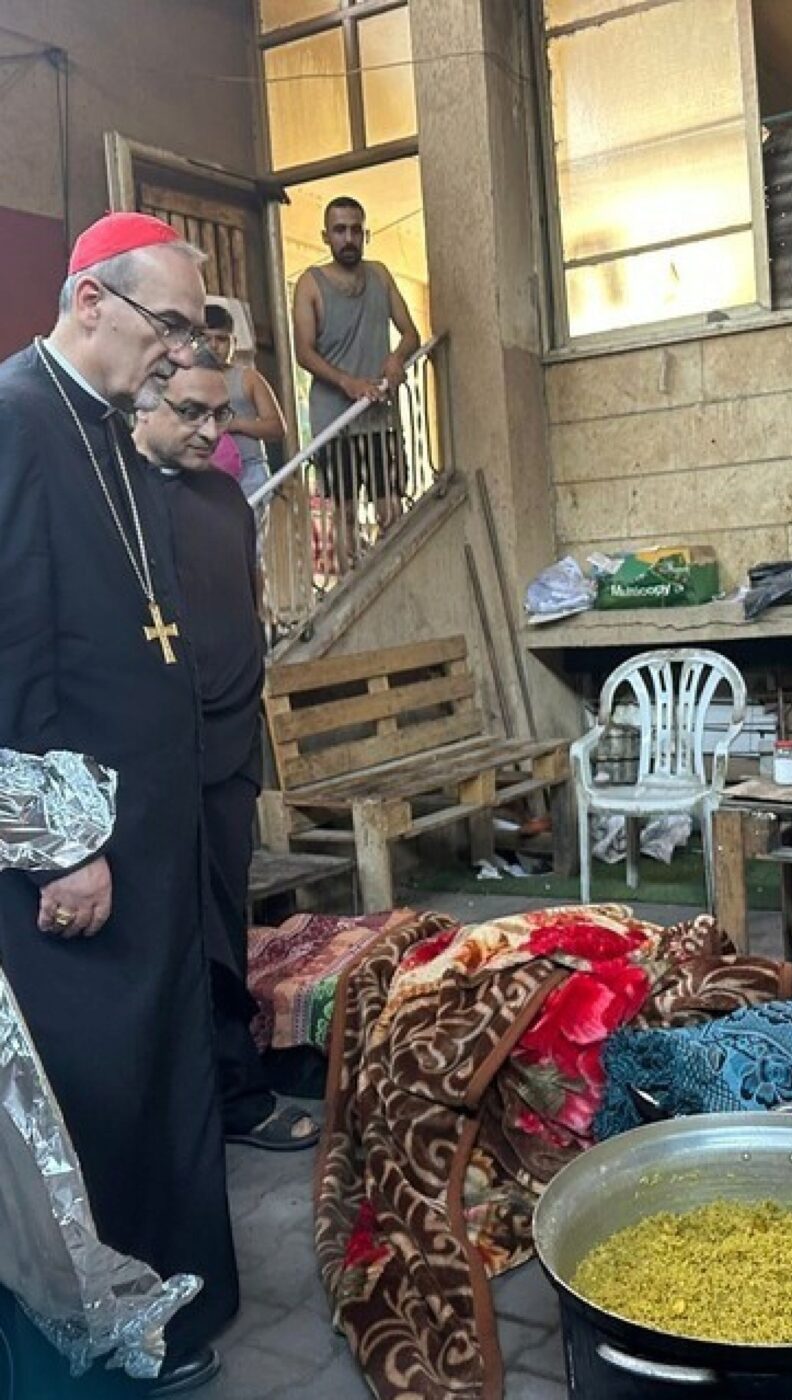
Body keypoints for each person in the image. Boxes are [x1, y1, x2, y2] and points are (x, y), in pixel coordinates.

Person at [0, 212, 237, 1394]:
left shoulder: (108, 427)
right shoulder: (14, 417)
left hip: (151, 832)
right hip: (81, 856)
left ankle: (179, 1307)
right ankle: (108, 1337)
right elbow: (11, 651)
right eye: (168, 323)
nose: (177, 350)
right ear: (91, 300)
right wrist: (59, 846)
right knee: (100, 1091)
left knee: (166, 1068)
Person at [133, 352, 319, 1155]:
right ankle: (211, 1100)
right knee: (177, 937)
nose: (214, 431)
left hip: (232, 753)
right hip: (161, 758)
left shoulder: (224, 499)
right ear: (142, 405)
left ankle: (234, 1092)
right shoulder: (119, 500)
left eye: (221, 413)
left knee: (222, 928)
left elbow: (246, 602)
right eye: (192, 413)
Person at [292, 196, 421, 574]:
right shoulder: (311, 284)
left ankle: (393, 580)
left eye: (355, 230)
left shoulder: (379, 275)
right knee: (344, 511)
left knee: (390, 507)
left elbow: (410, 333)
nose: (348, 238)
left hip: (379, 416)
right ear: (326, 236)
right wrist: (345, 382)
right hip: (335, 421)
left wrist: (396, 358)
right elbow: (304, 352)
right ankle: (351, 581)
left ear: (365, 234)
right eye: (339, 230)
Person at [202, 301, 286, 503]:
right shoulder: (185, 380)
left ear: (234, 342)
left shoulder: (248, 378)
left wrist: (235, 424)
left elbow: (277, 428)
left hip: (249, 470)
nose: (214, 346)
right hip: (205, 471)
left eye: (221, 339)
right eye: (206, 339)